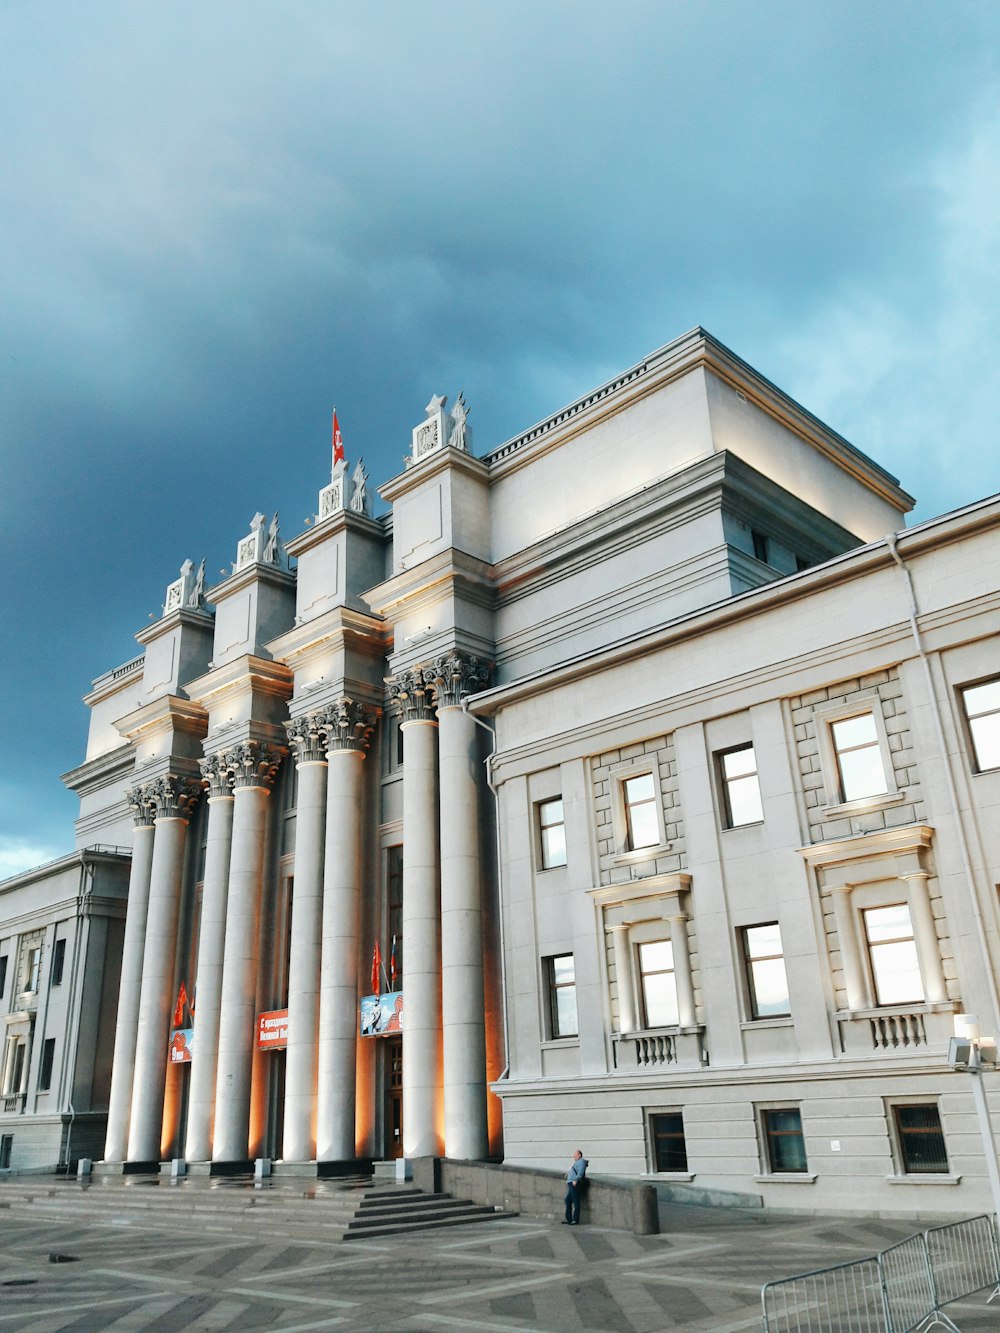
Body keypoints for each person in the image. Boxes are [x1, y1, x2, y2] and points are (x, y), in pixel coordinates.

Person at [563, 1148, 588, 1225]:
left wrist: (575, 1179)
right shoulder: (578, 1162)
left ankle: (575, 1219)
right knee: (568, 1200)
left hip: (575, 1183)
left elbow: (580, 1173)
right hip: (571, 1182)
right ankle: (569, 1218)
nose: (574, 1156)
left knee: (575, 1201)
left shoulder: (581, 1162)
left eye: (575, 1155)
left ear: (579, 1155)